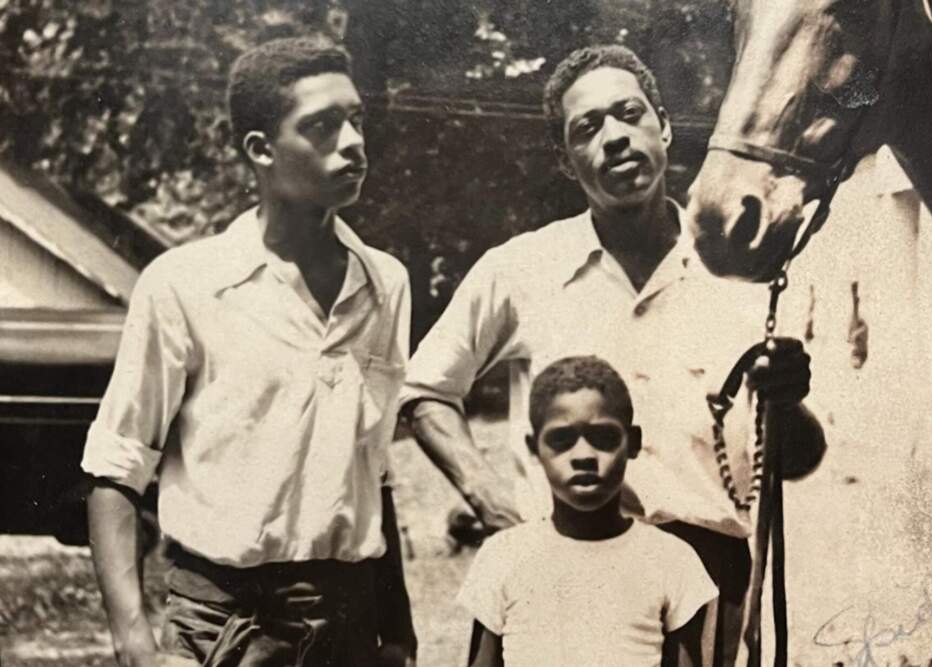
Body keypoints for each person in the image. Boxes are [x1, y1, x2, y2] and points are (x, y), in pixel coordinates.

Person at [401, 45, 826, 664]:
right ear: (565, 159)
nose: (616, 137)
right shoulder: (521, 268)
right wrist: (494, 504)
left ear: (664, 126)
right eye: (588, 128)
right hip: (565, 579)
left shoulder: (740, 275)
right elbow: (425, 391)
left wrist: (786, 401)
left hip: (706, 588)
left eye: (630, 114)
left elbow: (800, 459)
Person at [83, 36, 416, 666]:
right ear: (261, 150)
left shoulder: (385, 284)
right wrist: (133, 638)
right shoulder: (185, 284)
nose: (352, 142)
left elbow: (374, 473)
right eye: (322, 126)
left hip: (348, 625)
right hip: (220, 626)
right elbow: (116, 470)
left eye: (356, 119)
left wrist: (398, 633)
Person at [458, 356, 718, 666]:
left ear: (633, 443)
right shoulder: (504, 556)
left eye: (603, 438)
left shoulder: (670, 559)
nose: (583, 455)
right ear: (533, 447)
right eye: (561, 440)